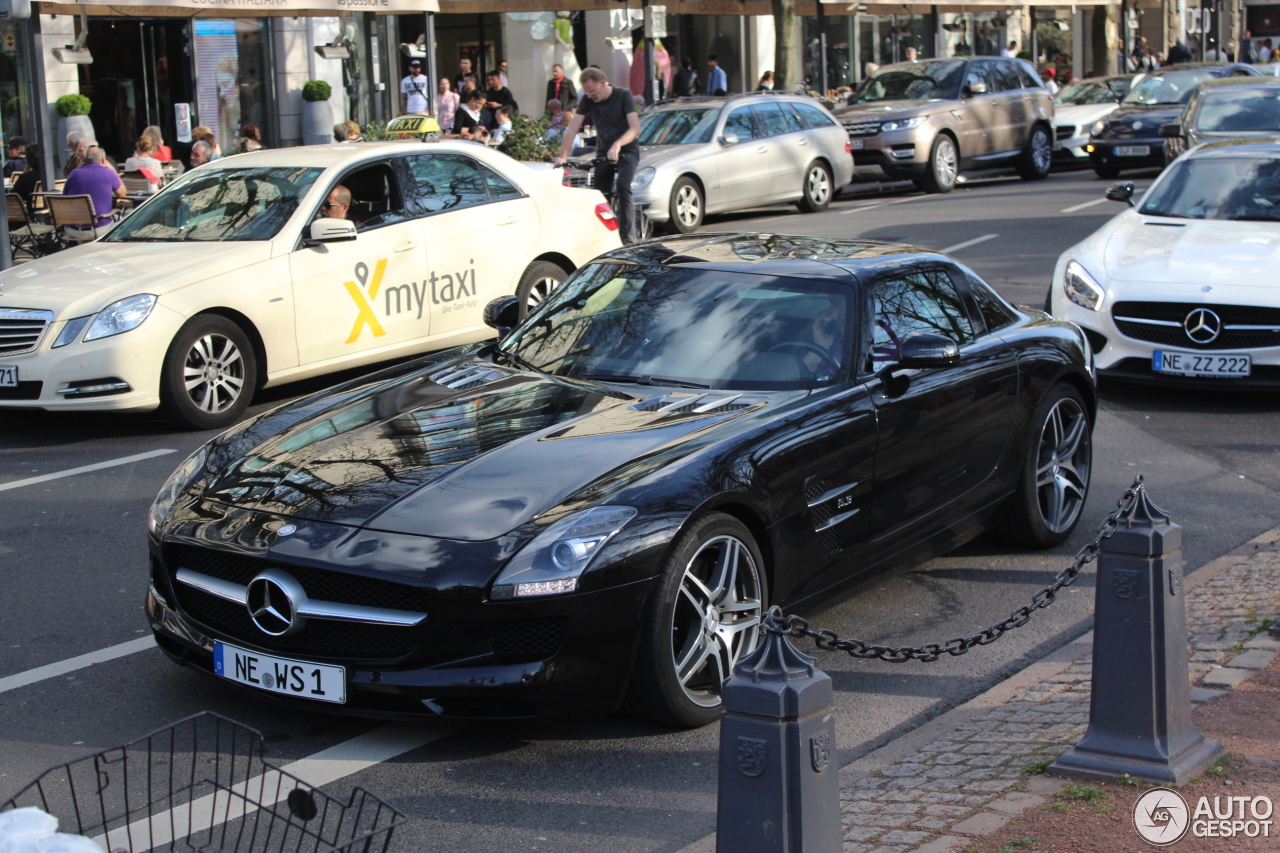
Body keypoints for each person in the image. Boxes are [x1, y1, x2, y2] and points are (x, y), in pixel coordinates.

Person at [553, 68, 641, 244]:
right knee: (599, 194)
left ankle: (628, 239)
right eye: (587, 92)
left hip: (627, 150)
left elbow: (635, 128)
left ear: (603, 83)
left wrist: (618, 144)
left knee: (623, 186)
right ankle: (603, 237)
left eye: (592, 91)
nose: (590, 95)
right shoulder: (588, 100)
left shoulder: (623, 95)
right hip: (604, 153)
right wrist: (562, 156)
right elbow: (572, 129)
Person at [64, 145, 124, 229]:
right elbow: (122, 193)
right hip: (100, 228)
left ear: (84, 159)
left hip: (73, 230)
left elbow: (65, 199)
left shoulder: (73, 174)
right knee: (121, 221)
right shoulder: (109, 173)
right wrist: (112, 169)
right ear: (103, 159)